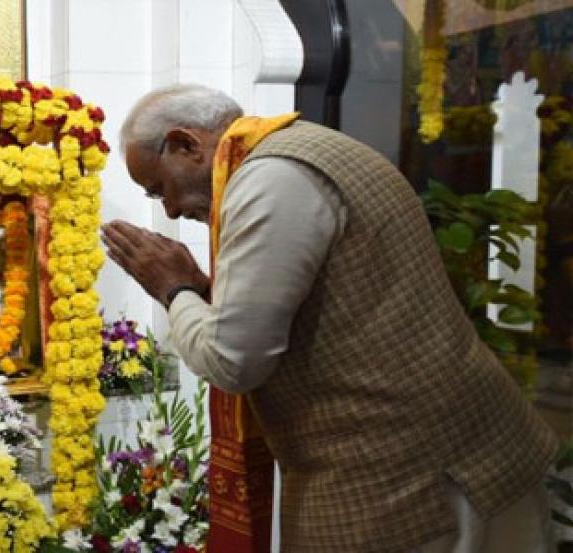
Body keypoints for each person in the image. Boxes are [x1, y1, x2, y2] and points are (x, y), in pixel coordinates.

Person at [102, 84, 559, 552]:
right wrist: (200, 290)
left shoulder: (269, 180)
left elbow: (232, 359)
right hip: (451, 452)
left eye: (159, 190)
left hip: (419, 474)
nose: (173, 210)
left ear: (186, 144)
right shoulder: (307, 148)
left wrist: (172, 288)